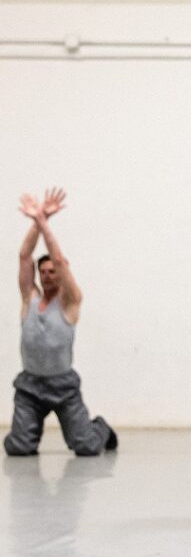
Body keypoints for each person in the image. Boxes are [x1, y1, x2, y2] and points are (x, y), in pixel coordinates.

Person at [4, 188, 117, 457]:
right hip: (30, 386)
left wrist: (45, 224)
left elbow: (61, 261)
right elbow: (23, 256)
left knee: (86, 447)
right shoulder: (29, 299)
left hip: (63, 387)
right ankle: (25, 428)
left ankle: (101, 428)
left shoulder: (70, 303)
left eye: (52, 271)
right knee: (18, 448)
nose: (47, 276)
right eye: (42, 272)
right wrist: (36, 221)